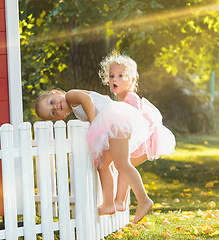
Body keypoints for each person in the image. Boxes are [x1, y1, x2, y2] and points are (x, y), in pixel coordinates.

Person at [35, 89, 154, 224]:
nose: (55, 107)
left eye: (51, 102)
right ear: (60, 117)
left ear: (56, 92)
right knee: (103, 165)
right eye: (53, 112)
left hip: (116, 121)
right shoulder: (75, 110)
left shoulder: (70, 95)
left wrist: (94, 124)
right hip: (111, 124)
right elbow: (102, 96)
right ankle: (108, 204)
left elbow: (88, 100)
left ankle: (144, 200)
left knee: (122, 164)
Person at [99, 52, 176, 212]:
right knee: (124, 166)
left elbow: (134, 120)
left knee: (124, 166)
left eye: (121, 76)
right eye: (112, 76)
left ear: (132, 80)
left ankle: (134, 200)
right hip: (135, 140)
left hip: (143, 140)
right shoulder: (120, 99)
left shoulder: (130, 97)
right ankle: (119, 201)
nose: (115, 80)